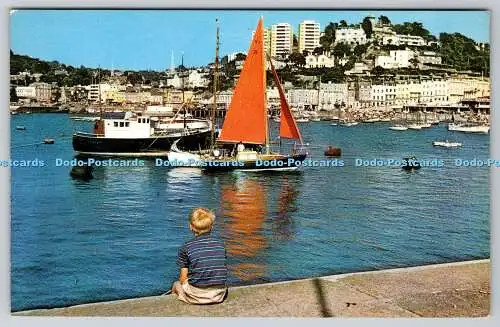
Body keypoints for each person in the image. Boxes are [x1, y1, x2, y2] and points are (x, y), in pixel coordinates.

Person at [171, 208, 228, 304]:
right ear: (212, 227)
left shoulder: (186, 247)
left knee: (176, 284)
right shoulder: (221, 244)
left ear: (191, 227)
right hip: (219, 294)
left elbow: (183, 278)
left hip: (197, 295)